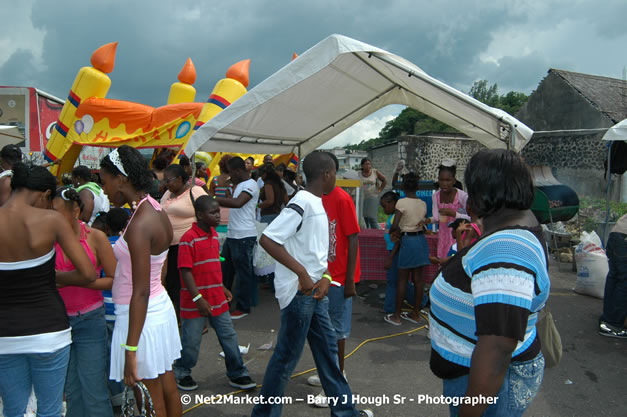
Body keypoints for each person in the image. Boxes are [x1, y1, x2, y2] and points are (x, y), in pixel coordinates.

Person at [251, 151, 373, 417]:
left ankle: (345, 411)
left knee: (328, 354)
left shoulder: (316, 203)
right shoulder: (303, 202)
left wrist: (326, 277)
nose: (336, 180)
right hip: (300, 294)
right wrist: (303, 275)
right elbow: (269, 239)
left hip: (315, 292)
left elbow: (316, 252)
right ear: (327, 175)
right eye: (335, 175)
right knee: (285, 359)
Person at [429, 149, 549, 417]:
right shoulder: (512, 225)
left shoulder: (507, 247)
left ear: (481, 192)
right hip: (481, 378)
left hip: (490, 387)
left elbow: (497, 347)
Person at [0, 163, 96, 417]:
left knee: (13, 410)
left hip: (4, 334)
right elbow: (87, 273)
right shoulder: (52, 220)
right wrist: (57, 278)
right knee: (51, 410)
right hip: (49, 330)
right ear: (43, 194)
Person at [100, 146, 182, 417]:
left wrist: (131, 350)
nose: (103, 189)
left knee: (148, 400)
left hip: (140, 320)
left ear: (121, 179)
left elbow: (141, 291)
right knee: (167, 386)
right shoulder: (154, 209)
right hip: (156, 312)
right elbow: (160, 270)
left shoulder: (139, 224)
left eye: (105, 181)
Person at [173, 196, 256, 392]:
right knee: (191, 342)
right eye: (213, 213)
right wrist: (198, 298)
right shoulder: (188, 239)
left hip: (217, 298)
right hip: (195, 301)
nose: (218, 216)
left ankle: (237, 372)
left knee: (229, 336)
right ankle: (182, 371)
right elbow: (185, 272)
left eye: (218, 211)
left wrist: (222, 287)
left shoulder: (213, 235)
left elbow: (213, 267)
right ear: (200, 215)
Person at [52, 186, 117, 417]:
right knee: (70, 388)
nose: (52, 218)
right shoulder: (48, 239)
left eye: (57, 212)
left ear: (75, 211)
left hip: (90, 319)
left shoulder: (95, 238)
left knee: (94, 388)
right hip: (59, 322)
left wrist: (79, 281)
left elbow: (112, 279)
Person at [308, 152, 361, 407]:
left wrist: (350, 279)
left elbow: (352, 238)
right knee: (323, 329)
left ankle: (337, 379)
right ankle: (327, 373)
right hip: (323, 275)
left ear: (329, 174)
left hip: (340, 278)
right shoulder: (317, 198)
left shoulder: (341, 199)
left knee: (336, 332)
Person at [214, 157, 259, 320]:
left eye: (231, 172)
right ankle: (225, 302)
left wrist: (214, 199)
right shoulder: (240, 185)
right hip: (233, 234)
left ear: (238, 171)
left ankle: (243, 307)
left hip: (244, 235)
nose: (229, 175)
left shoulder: (251, 185)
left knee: (243, 274)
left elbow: (238, 203)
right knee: (226, 271)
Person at [161, 163, 207, 318]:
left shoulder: (195, 191)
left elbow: (209, 212)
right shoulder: (167, 194)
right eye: (164, 181)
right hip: (170, 247)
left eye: (169, 180)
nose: (166, 184)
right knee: (174, 283)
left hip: (189, 246)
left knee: (189, 282)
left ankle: (197, 318)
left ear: (180, 179)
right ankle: (182, 316)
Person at [384, 172, 429, 326]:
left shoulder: (401, 203)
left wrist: (392, 233)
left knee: (402, 279)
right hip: (421, 241)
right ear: (417, 186)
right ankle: (415, 313)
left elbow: (395, 225)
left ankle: (396, 316)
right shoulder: (422, 204)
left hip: (408, 241)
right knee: (418, 280)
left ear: (403, 186)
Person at [380, 191, 416, 315]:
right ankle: (420, 300)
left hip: (395, 252)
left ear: (393, 203)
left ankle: (390, 308)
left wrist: (391, 257)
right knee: (401, 280)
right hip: (393, 251)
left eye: (385, 206)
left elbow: (398, 239)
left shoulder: (397, 218)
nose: (384, 210)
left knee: (393, 281)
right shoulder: (393, 217)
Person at [430, 160, 469, 260]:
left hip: (459, 237)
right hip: (443, 238)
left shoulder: (462, 196)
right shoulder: (436, 196)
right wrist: (426, 220)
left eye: (448, 180)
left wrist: (454, 214)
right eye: (441, 180)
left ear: (454, 181)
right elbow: (436, 218)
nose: (444, 183)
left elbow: (470, 217)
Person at [599, 213, 627, 338]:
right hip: (624, 240)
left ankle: (607, 318)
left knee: (614, 278)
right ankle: (613, 324)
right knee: (624, 282)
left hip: (615, 236)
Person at [358, 158, 386, 229]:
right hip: (362, 199)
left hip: (373, 198)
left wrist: (379, 190)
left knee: (372, 219)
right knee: (365, 219)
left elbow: (384, 180)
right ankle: (368, 235)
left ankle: (378, 235)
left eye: (369, 164)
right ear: (362, 166)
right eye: (366, 164)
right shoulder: (358, 174)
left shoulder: (374, 172)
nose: (368, 166)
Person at [209, 154, 233, 226]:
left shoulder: (215, 180)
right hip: (231, 213)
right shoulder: (234, 180)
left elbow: (211, 197)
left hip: (217, 213)